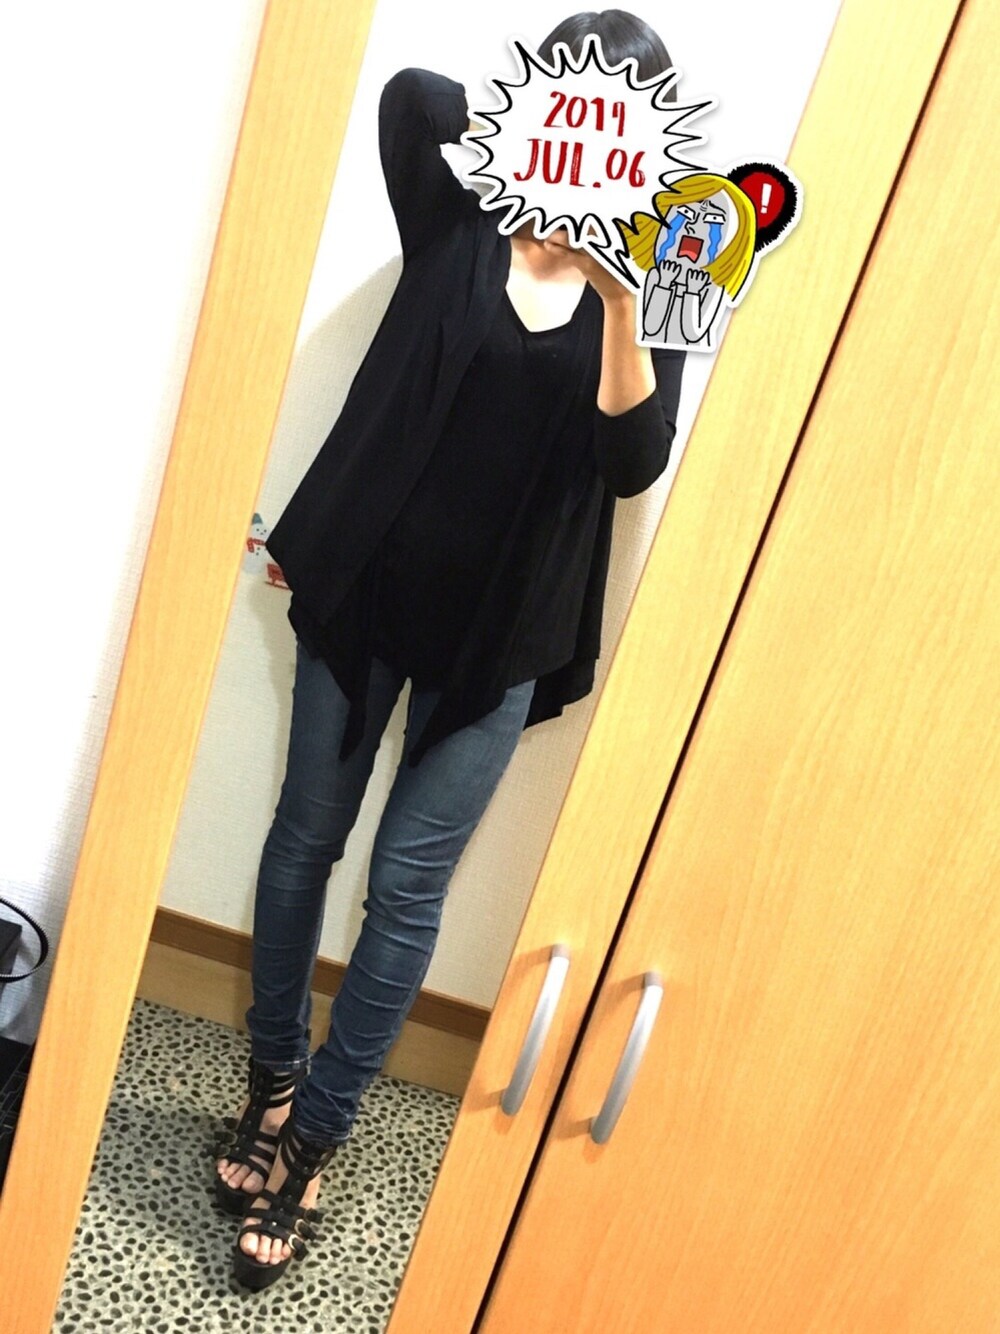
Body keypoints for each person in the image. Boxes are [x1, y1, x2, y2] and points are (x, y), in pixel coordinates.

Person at [213, 9, 685, 1292]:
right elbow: (414, 94)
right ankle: (269, 1081)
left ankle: (312, 1144)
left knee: (406, 891)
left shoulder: (653, 273)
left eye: (618, 110)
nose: (596, 126)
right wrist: (536, 142)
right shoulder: (458, 212)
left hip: (500, 637)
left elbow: (632, 463)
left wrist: (619, 287)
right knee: (304, 837)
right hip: (367, 592)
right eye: (580, 97)